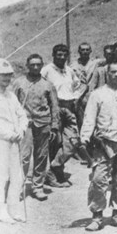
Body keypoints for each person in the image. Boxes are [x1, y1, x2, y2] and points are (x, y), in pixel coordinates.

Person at [80, 60, 117, 232]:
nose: (116, 75)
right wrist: (84, 139)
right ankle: (97, 216)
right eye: (113, 72)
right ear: (107, 73)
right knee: (99, 179)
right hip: (104, 143)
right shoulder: (97, 94)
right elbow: (89, 118)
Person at [0, 59, 28, 224]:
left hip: (14, 141)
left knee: (17, 176)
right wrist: (8, 134)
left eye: (9, 75)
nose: (6, 79)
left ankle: (13, 209)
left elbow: (22, 115)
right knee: (0, 176)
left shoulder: (11, 96)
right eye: (2, 75)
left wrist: (21, 130)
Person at [11, 53, 59, 202]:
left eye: (38, 64)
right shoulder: (19, 83)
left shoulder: (48, 84)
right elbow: (12, 104)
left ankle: (38, 186)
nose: (36, 67)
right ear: (27, 66)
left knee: (41, 156)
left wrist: (55, 126)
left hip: (43, 123)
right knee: (24, 156)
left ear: (42, 65)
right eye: (33, 65)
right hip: (25, 124)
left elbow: (54, 106)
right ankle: (19, 187)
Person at [42, 43, 81, 184]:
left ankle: (54, 167)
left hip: (69, 107)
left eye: (65, 55)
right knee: (55, 142)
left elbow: (79, 85)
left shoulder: (69, 70)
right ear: (53, 55)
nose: (62, 57)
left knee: (73, 140)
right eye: (59, 55)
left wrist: (76, 98)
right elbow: (41, 88)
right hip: (55, 107)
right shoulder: (46, 70)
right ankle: (55, 176)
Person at [71, 43, 99, 127]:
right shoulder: (73, 65)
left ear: (90, 51)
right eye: (83, 50)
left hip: (91, 96)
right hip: (78, 97)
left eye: (87, 50)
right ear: (79, 51)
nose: (85, 52)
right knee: (80, 121)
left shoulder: (95, 63)